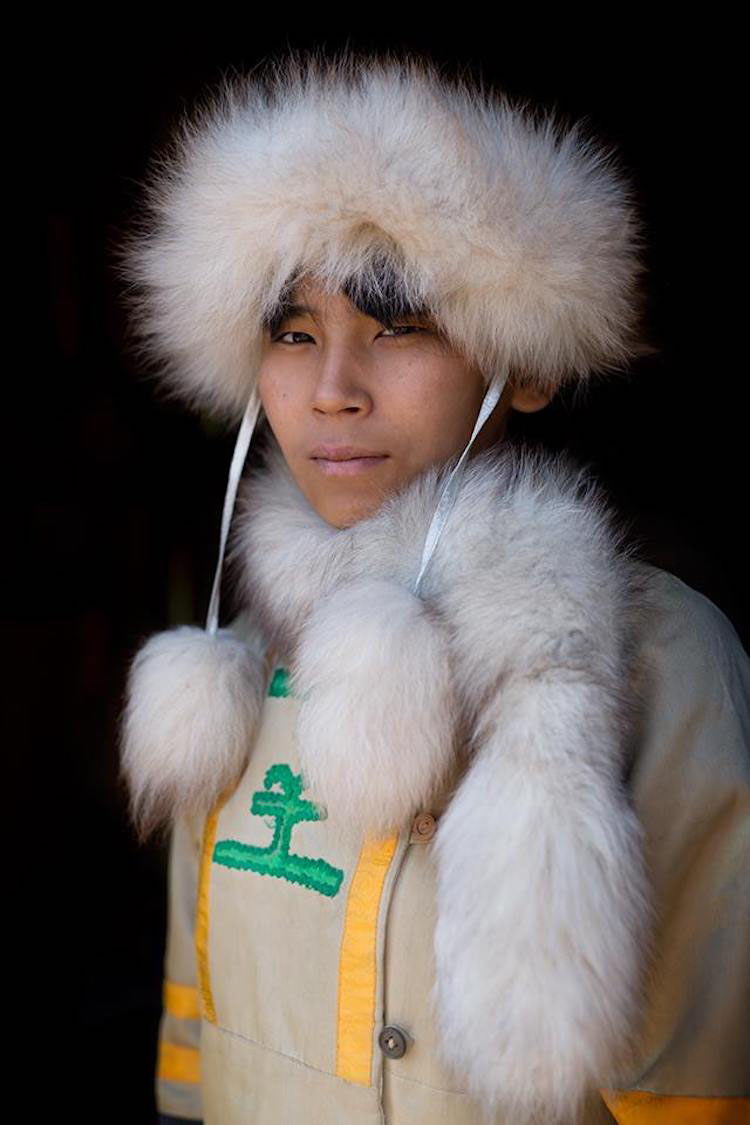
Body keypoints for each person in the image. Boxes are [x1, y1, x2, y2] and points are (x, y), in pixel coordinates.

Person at [116, 47, 750, 1125]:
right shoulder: (233, 662)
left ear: (526, 361)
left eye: (397, 330)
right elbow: (198, 1051)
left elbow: (703, 1087)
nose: (332, 392)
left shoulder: (655, 659)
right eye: (292, 333)